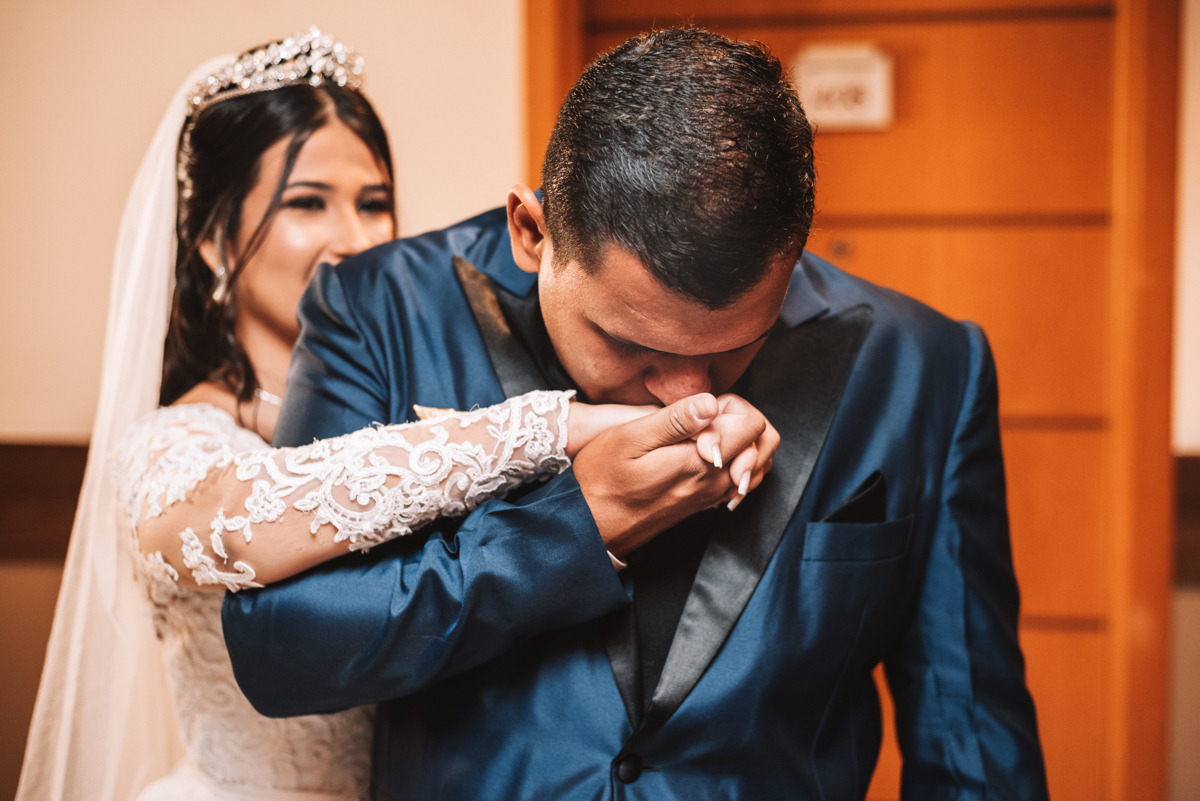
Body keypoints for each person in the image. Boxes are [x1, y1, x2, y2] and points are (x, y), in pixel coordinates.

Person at [224, 27, 1050, 800]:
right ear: (532, 231)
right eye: (629, 344)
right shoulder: (380, 309)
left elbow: (973, 742)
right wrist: (576, 526)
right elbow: (278, 651)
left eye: (734, 347)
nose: (688, 397)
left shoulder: (924, 364)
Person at [19, 28, 760, 801]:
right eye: (307, 203)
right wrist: (552, 427)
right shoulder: (169, 441)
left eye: (373, 202)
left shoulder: (407, 398)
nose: (355, 236)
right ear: (212, 241)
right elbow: (242, 521)